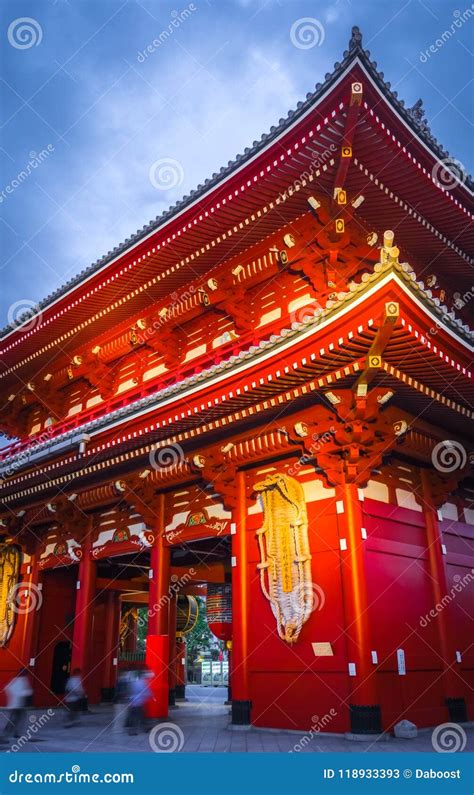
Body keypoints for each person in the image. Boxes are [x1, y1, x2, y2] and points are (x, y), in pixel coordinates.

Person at [1, 669, 33, 742]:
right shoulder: (22, 680)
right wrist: (26, 693)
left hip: (14, 704)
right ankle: (10, 733)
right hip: (18, 705)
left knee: (15, 719)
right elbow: (26, 692)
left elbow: (7, 688)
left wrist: (12, 696)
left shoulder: (15, 680)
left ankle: (12, 732)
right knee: (16, 719)